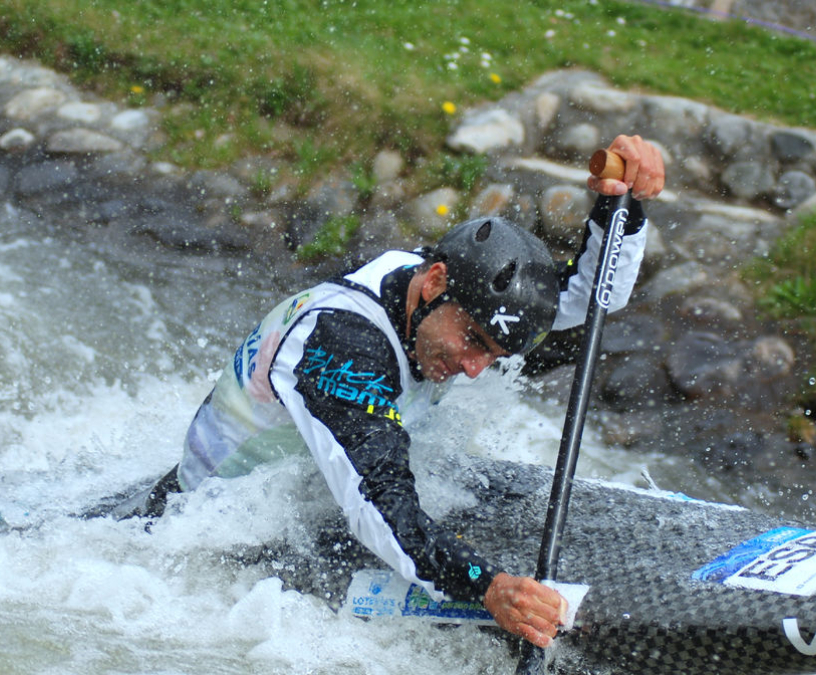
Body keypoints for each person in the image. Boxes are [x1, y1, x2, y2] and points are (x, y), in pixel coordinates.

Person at [107, 136, 665, 648]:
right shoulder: (340, 343)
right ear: (436, 283)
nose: (474, 368)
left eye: (492, 355)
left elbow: (586, 301)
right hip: (205, 539)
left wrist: (622, 210)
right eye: (472, 340)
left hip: (307, 494)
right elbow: (380, 505)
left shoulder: (425, 283)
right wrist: (489, 587)